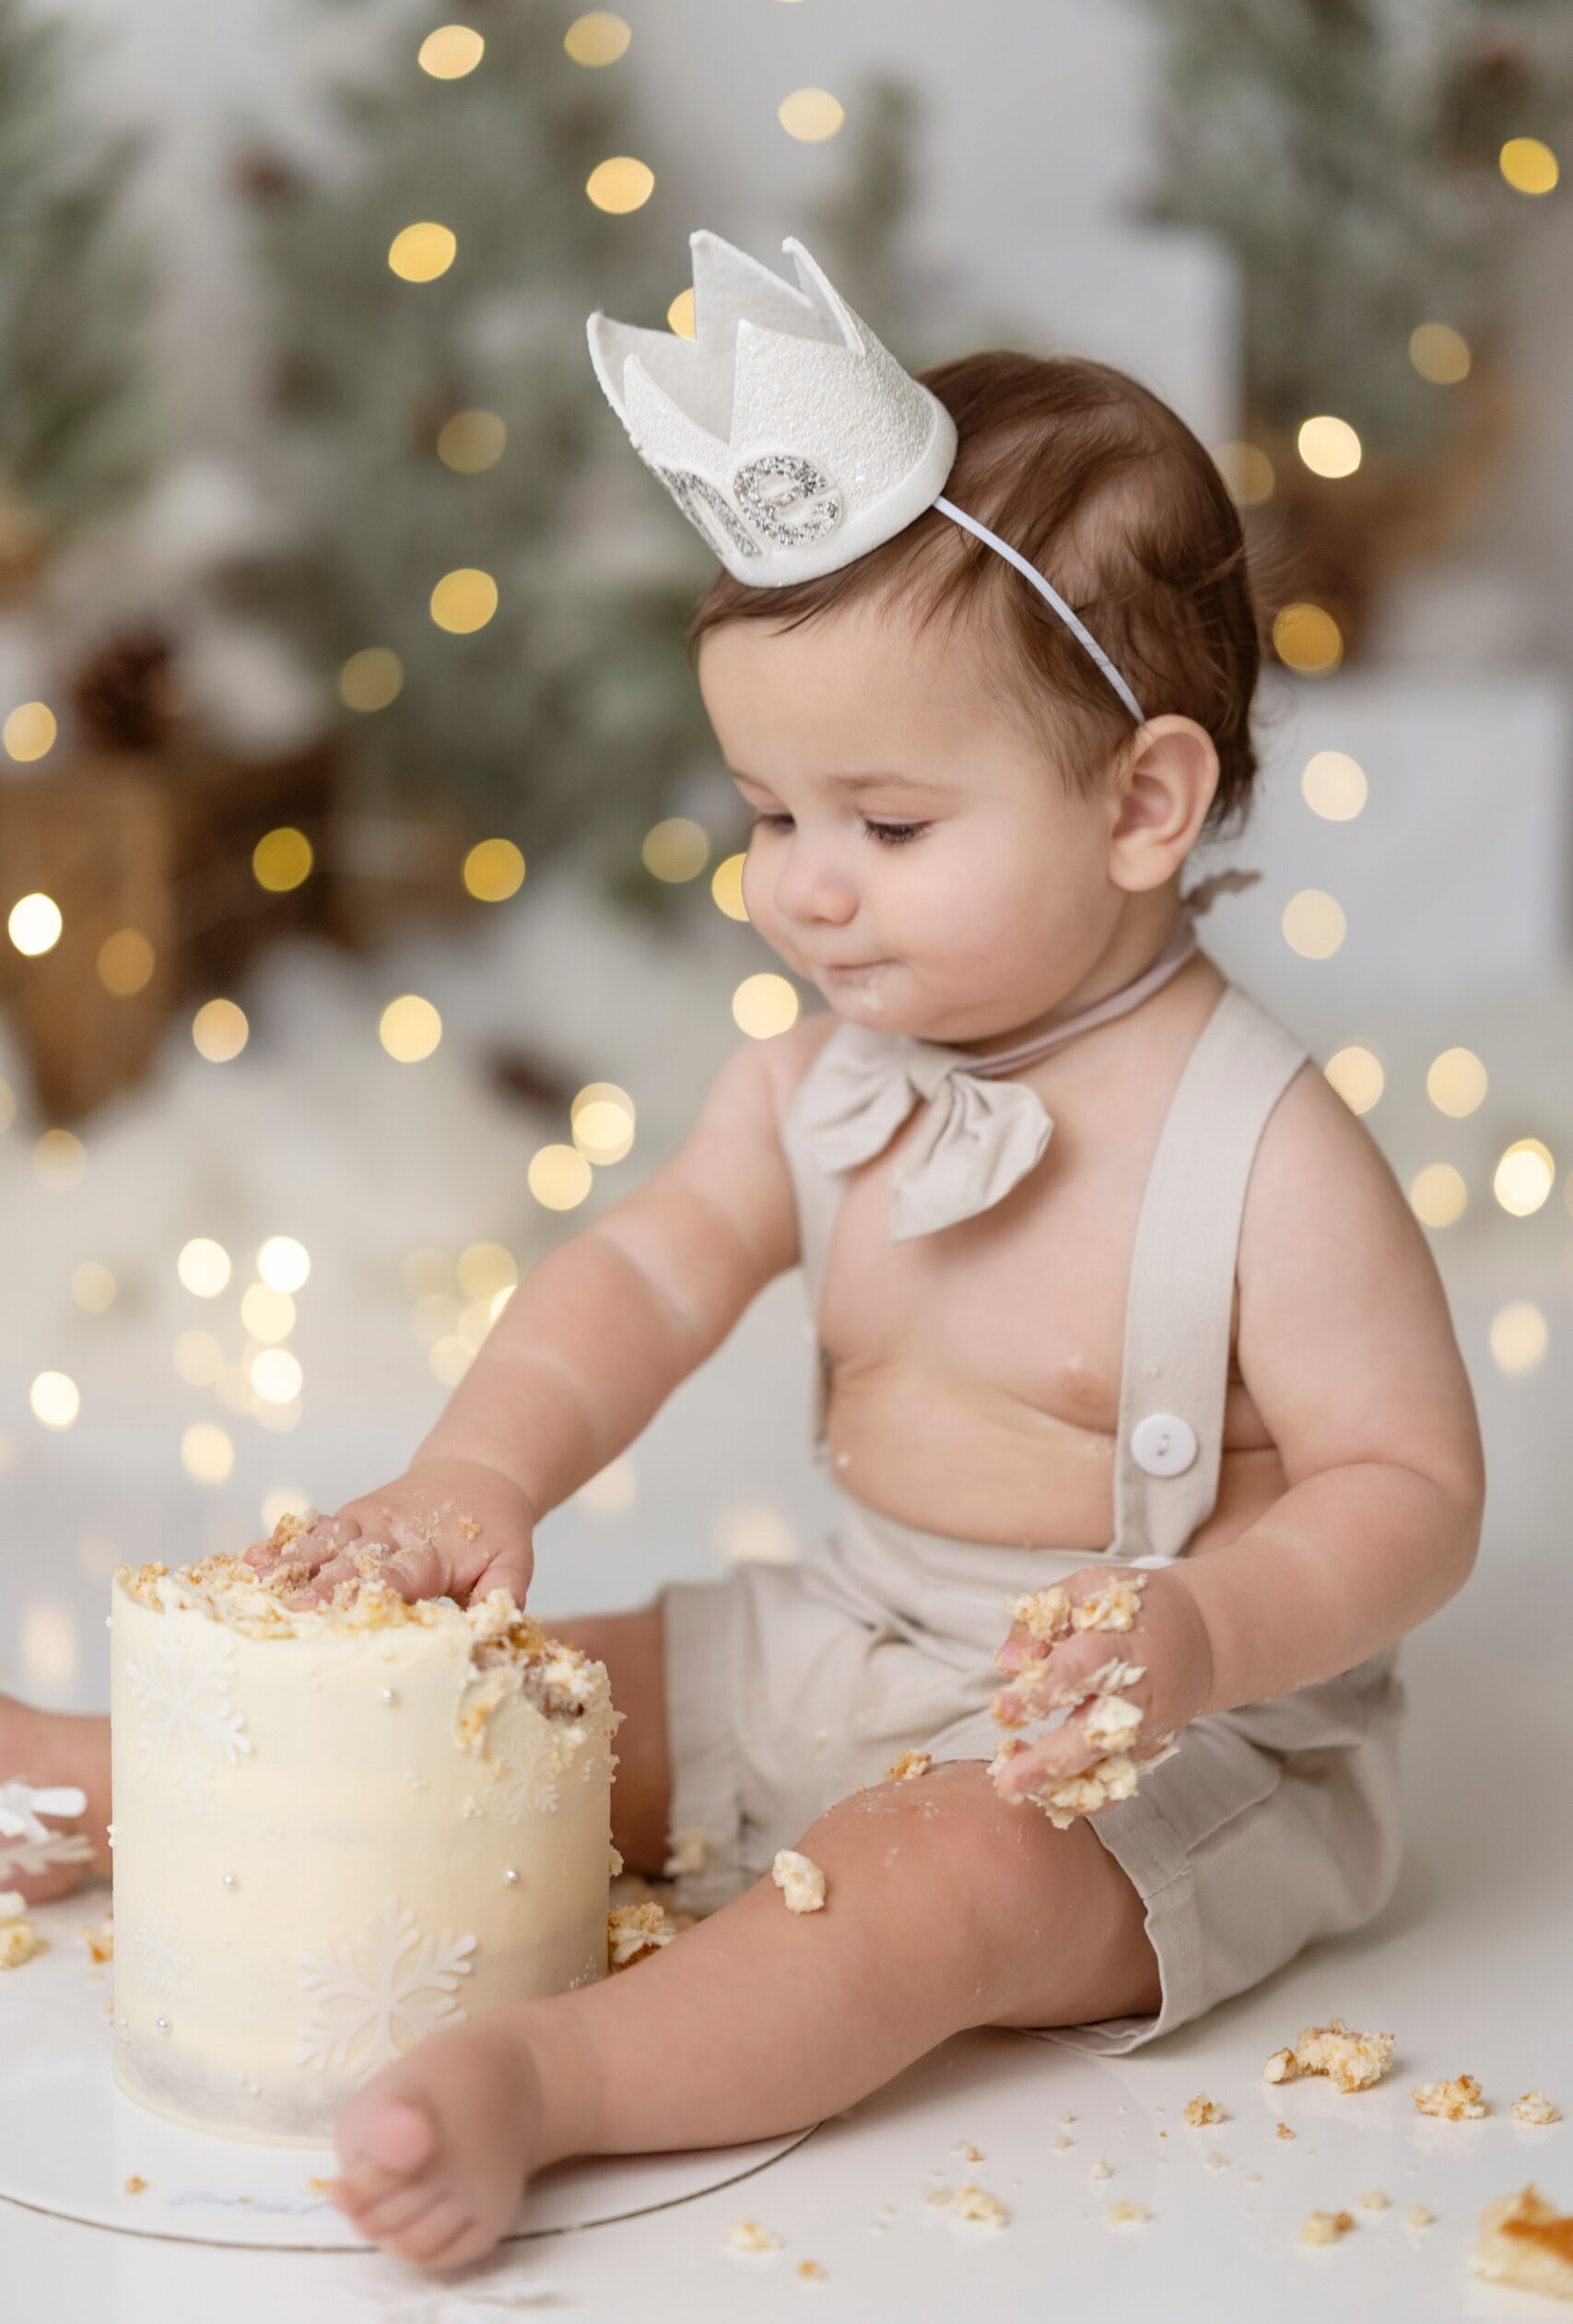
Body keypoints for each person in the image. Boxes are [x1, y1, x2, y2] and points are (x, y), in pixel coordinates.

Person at [0, 235, 1484, 2275]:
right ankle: (103, 1772)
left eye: (881, 822)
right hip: (846, 1635)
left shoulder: (1262, 1149)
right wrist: (478, 1471)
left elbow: (1411, 1491)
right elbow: (642, 1270)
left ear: (1143, 800)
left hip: (1153, 1750)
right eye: (764, 810)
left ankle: (558, 2079)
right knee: (532, 1696)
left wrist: (1203, 1634)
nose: (797, 887)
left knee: (929, 1878)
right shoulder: (818, 1079)